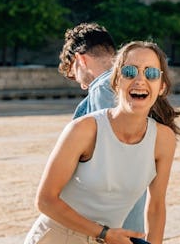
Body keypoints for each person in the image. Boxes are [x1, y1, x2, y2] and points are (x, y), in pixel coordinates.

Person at [27, 41, 180, 244]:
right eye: (129, 71)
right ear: (116, 80)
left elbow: (155, 207)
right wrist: (104, 233)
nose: (140, 80)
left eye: (151, 73)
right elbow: (45, 200)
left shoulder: (164, 139)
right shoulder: (84, 130)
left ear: (161, 86)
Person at [57, 23, 145, 233]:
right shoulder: (134, 84)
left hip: (106, 219)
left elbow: (109, 153)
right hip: (129, 212)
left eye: (73, 74)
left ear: (80, 59)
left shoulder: (103, 88)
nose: (80, 84)